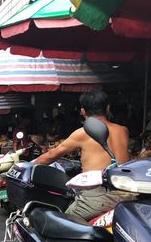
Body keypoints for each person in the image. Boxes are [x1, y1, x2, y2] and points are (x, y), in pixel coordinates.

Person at [34, 90, 132, 221]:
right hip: (127, 193)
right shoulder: (123, 130)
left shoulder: (83, 133)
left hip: (99, 196)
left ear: (83, 111)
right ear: (108, 108)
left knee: (60, 225)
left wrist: (27, 167)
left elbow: (51, 156)